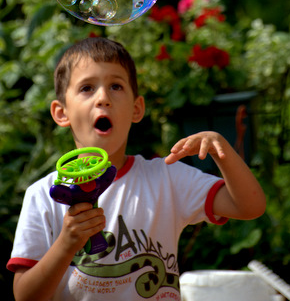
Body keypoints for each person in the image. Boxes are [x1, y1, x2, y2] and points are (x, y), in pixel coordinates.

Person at [7, 37, 266, 301]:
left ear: (136, 108)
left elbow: (249, 206)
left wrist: (222, 151)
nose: (103, 98)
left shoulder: (167, 178)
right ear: (61, 112)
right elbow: (26, 296)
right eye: (87, 88)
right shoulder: (43, 195)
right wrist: (65, 244)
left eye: (116, 86)